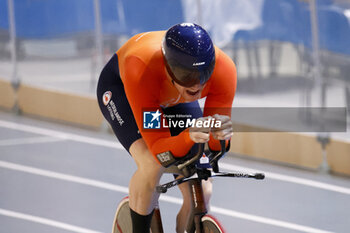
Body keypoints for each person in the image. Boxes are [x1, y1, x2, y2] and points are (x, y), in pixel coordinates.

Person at [97, 23, 237, 233]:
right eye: (186, 74)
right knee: (151, 164)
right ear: (168, 66)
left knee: (203, 185)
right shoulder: (142, 69)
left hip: (172, 95)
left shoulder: (224, 70)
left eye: (204, 73)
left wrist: (221, 136)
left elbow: (214, 147)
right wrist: (189, 136)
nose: (196, 85)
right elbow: (160, 150)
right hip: (126, 91)